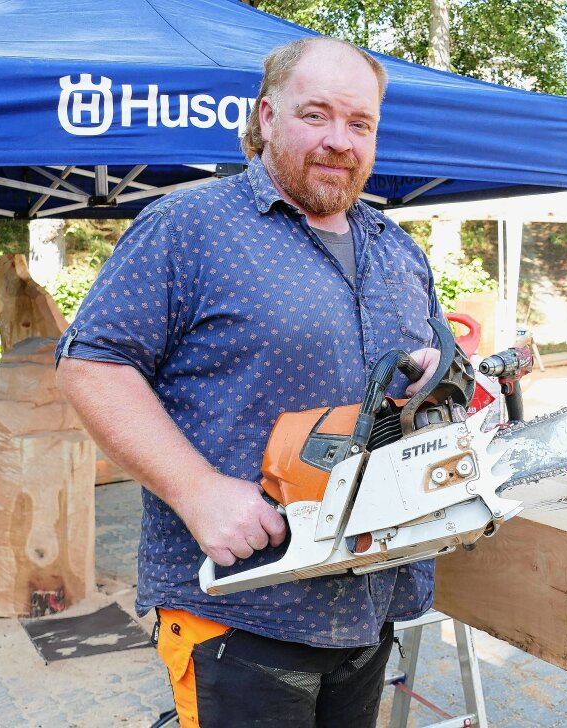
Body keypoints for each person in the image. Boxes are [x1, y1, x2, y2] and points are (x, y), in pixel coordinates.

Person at [56, 36, 444, 727]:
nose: (339, 141)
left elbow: (426, 375)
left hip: (369, 598)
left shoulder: (398, 250)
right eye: (315, 115)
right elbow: (93, 362)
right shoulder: (190, 225)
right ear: (266, 117)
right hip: (242, 607)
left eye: (360, 124)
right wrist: (196, 490)